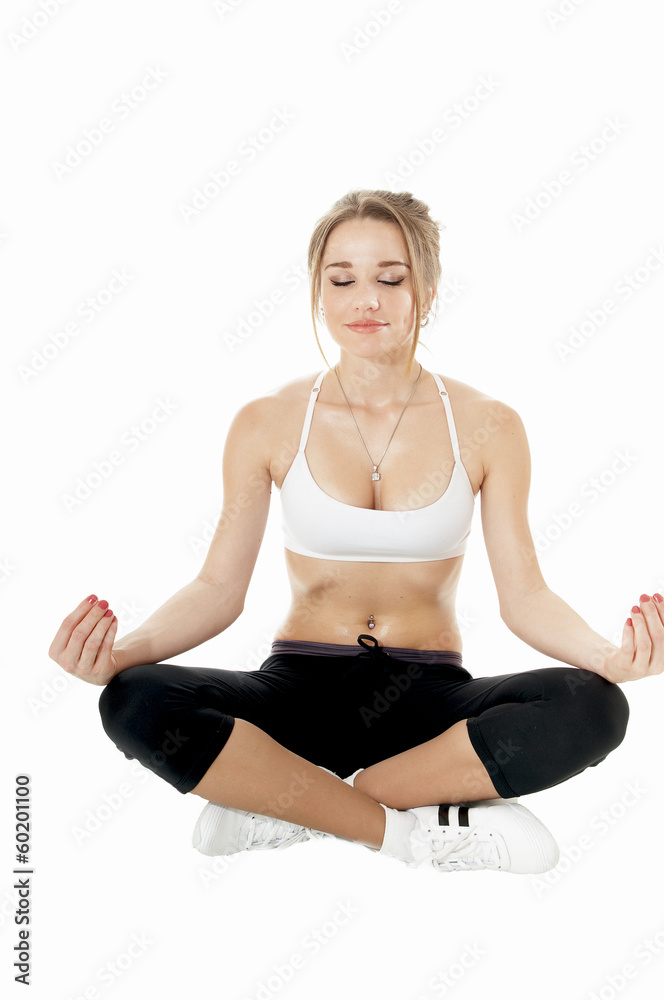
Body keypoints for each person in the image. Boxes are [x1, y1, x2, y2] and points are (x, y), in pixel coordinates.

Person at [49, 190, 659, 875]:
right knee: (134, 699)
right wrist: (121, 653)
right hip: (295, 693)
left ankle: (294, 806)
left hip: (429, 703)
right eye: (341, 280)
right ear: (318, 290)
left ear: (425, 288)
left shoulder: (489, 424)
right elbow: (218, 587)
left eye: (389, 279)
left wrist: (609, 659)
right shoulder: (268, 421)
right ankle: (409, 833)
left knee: (593, 709)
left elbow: (525, 596)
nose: (364, 300)